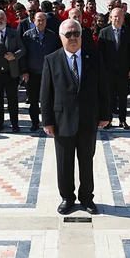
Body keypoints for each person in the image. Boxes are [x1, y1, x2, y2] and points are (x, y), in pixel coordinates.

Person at [41, 19, 110, 215]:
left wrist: (105, 115)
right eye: (68, 34)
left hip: (88, 120)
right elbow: (46, 93)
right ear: (61, 37)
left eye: (76, 34)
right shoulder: (51, 60)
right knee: (64, 163)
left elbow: (103, 88)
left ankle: (87, 198)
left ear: (81, 35)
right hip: (62, 121)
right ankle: (67, 198)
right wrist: (47, 121)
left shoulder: (94, 57)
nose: (73, 38)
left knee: (86, 161)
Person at [22, 11, 61, 132]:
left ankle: (48, 121)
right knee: (33, 100)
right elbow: (23, 55)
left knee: (48, 99)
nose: (41, 22)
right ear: (34, 21)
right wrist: (24, 71)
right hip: (32, 73)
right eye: (38, 20)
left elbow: (57, 54)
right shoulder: (27, 36)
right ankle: (34, 122)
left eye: (43, 20)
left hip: (48, 73)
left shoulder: (52, 36)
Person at [97, 8, 130, 129]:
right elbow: (100, 53)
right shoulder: (104, 32)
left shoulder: (128, 32)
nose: (117, 19)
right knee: (109, 96)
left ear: (123, 18)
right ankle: (108, 120)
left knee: (123, 96)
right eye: (115, 17)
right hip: (108, 71)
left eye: (119, 17)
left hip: (123, 70)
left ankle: (123, 120)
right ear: (111, 18)